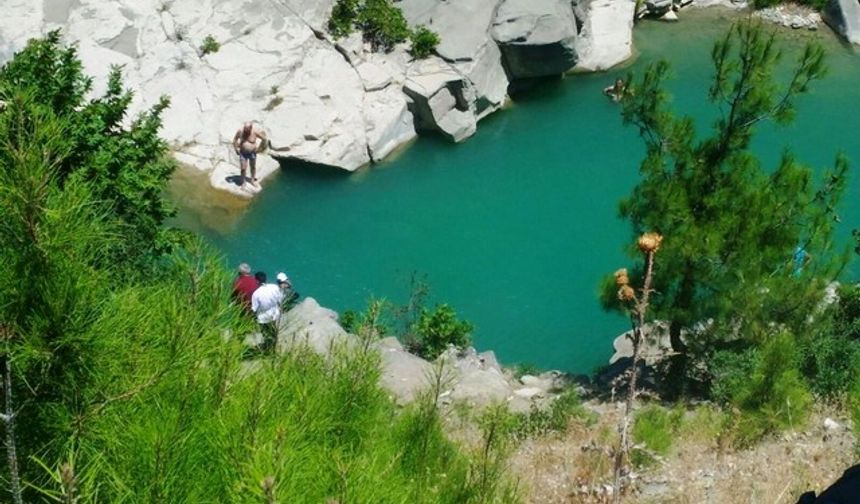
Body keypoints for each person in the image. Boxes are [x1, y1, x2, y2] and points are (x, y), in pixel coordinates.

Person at [251, 271, 284, 352]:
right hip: (274, 314)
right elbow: (280, 299)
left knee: (266, 334)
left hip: (263, 318)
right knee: (273, 332)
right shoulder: (274, 287)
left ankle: (267, 349)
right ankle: (273, 348)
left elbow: (254, 309)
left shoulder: (256, 293)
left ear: (257, 281)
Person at [232, 121, 268, 189]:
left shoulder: (255, 132)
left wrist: (260, 148)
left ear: (251, 128)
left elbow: (264, 139)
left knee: (253, 167)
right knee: (243, 168)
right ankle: (243, 182)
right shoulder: (240, 131)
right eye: (245, 129)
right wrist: (236, 149)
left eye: (247, 130)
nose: (245, 131)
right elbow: (235, 140)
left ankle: (252, 180)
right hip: (243, 153)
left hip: (252, 153)